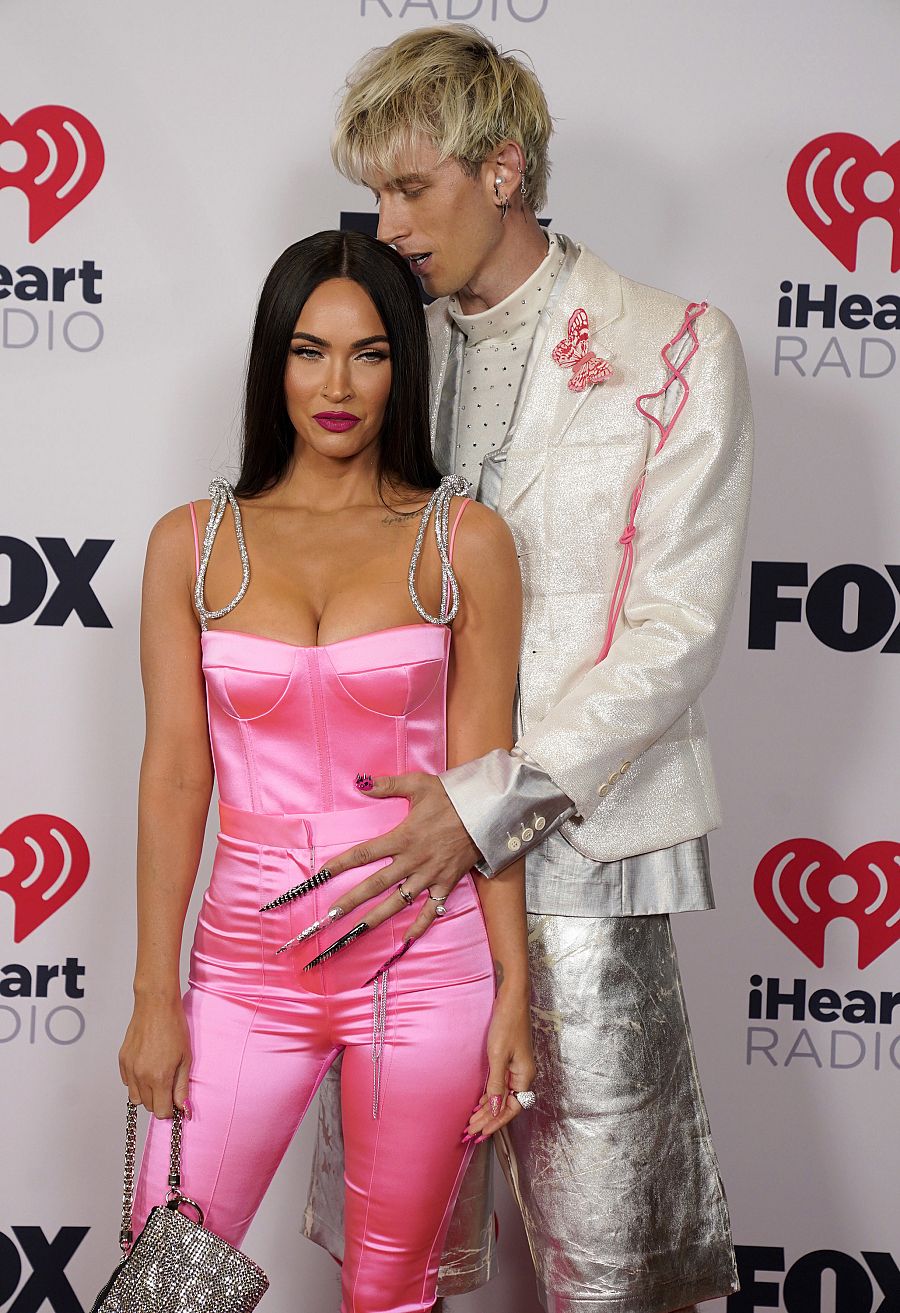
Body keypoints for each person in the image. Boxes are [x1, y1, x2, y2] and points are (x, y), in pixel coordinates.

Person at [303, 25, 753, 1313]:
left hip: (587, 852)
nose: (388, 226)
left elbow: (673, 631)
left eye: (412, 188)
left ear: (503, 171)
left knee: (617, 1268)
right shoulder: (383, 351)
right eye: (376, 193)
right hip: (397, 853)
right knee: (398, 1256)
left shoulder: (673, 345)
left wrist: (489, 799)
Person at [117, 227, 536, 1313]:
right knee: (166, 1284)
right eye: (309, 351)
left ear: (406, 364)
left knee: (391, 1291)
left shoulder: (465, 540)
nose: (337, 386)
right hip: (242, 967)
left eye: (369, 353)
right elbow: (175, 777)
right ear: (275, 362)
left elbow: (485, 784)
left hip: (425, 963)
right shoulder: (191, 542)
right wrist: (156, 992)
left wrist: (512, 988)